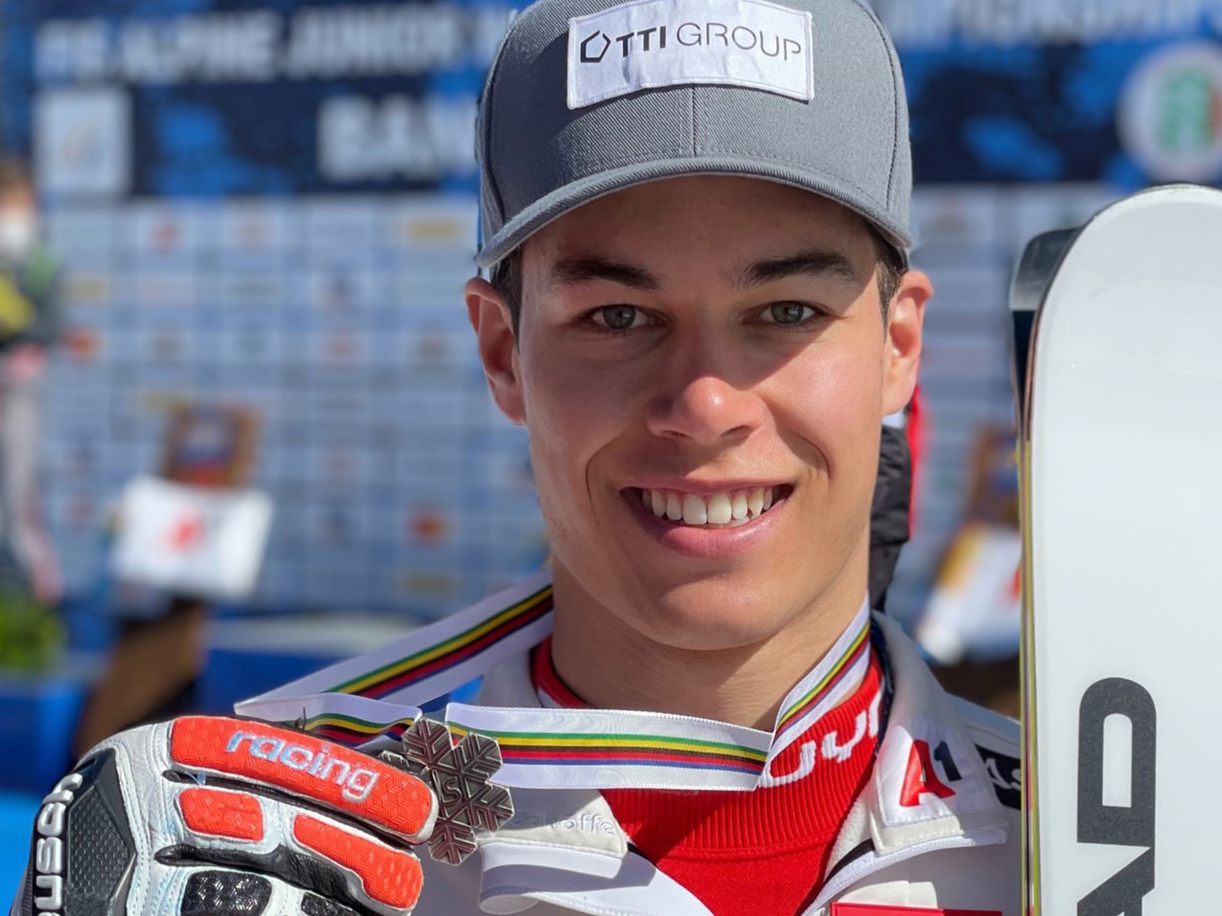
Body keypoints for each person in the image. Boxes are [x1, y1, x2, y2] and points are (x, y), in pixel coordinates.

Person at [11, 1, 1021, 914]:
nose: (704, 402)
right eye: (618, 315)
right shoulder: (279, 841)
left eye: (786, 310)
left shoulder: (1083, 843)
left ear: (897, 349)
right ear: (502, 351)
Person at [0, 159, 61, 606]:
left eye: (12, 200)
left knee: (14, 501)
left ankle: (30, 606)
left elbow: (51, 326)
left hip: (16, 395)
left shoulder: (42, 259)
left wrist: (21, 337)